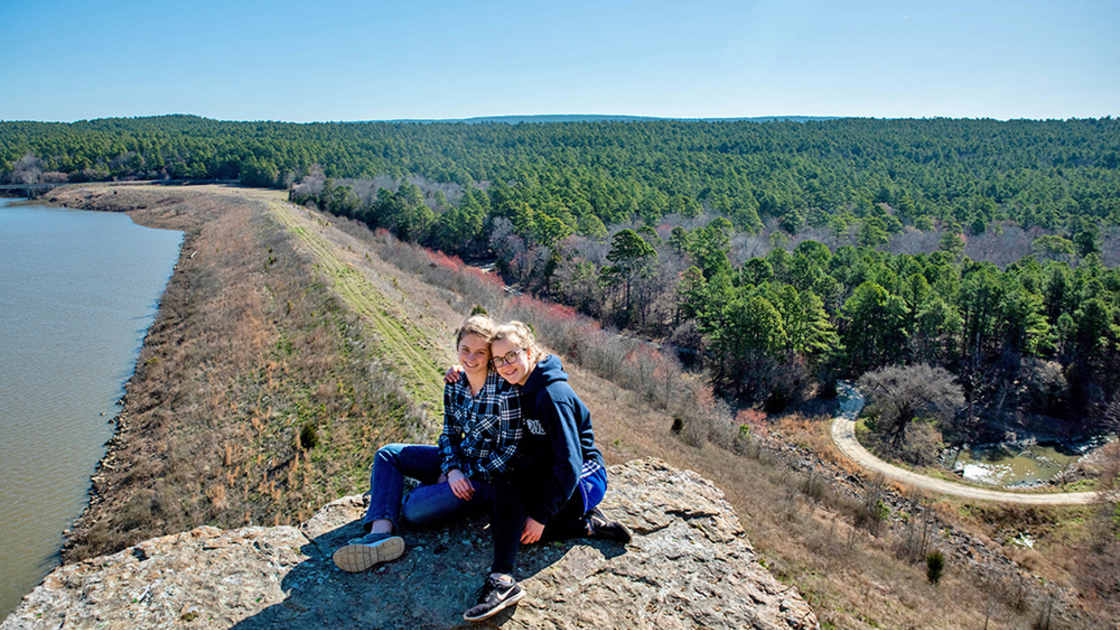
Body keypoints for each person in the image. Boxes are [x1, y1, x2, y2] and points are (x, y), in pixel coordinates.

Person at [462, 321, 630, 623]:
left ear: (529, 351)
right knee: (507, 508)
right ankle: (583, 527)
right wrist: (457, 372)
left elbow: (570, 462)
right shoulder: (522, 386)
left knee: (522, 526)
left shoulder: (552, 395)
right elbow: (476, 372)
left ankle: (502, 581)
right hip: (553, 475)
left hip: (583, 479)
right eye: (498, 360)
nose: (504, 365)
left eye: (511, 356)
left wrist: (540, 516)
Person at [332, 314, 523, 573]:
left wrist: (462, 474)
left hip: (486, 482)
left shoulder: (505, 391)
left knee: (413, 509)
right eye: (465, 350)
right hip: (460, 465)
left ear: (490, 355)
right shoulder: (455, 385)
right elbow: (449, 435)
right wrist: (451, 467)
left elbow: (510, 453)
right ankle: (379, 535)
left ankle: (420, 494)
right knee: (388, 454)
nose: (470, 358)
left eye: (480, 352)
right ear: (457, 348)